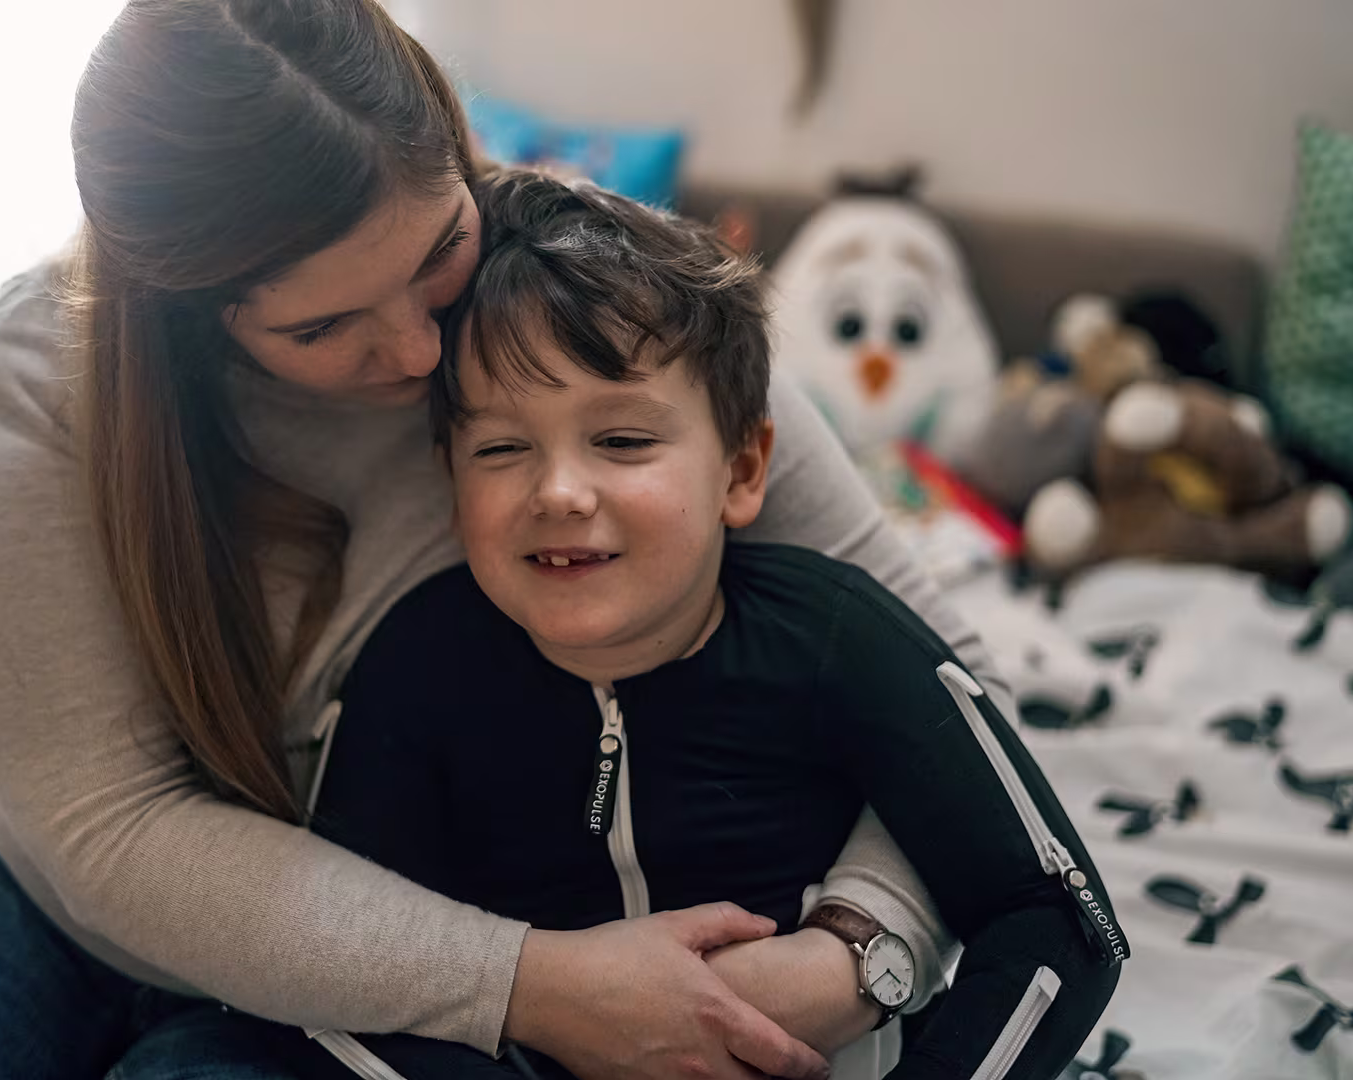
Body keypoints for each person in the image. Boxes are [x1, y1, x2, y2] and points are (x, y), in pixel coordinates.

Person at [0, 3, 1018, 1078]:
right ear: (186, 311)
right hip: (42, 905)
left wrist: (866, 945)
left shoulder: (597, 294)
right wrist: (534, 989)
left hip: (385, 974)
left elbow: (945, 671)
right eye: (322, 329)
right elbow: (112, 833)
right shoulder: (48, 375)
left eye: (438, 253)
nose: (421, 351)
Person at [111, 171, 1125, 1080]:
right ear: (447, 475)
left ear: (742, 469)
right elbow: (351, 982)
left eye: (624, 440)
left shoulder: (839, 636)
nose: (559, 490)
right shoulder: (416, 672)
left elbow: (1057, 921)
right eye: (502, 449)